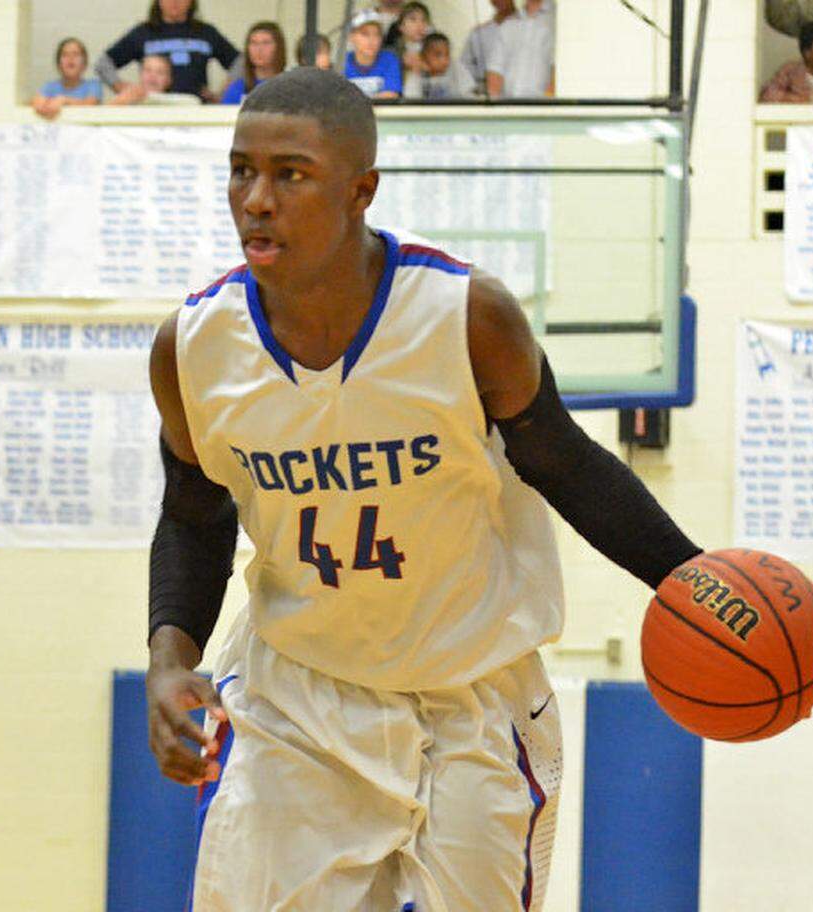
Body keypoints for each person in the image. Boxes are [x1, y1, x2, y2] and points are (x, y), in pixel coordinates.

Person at [146, 67, 702, 911]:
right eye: (241, 170)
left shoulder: (467, 317)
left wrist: (695, 581)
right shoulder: (193, 347)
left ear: (361, 189)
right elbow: (195, 511)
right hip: (296, 696)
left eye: (290, 174)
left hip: (470, 692)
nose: (256, 199)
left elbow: (566, 464)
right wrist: (168, 659)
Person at [96, 0, 238, 102]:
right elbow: (103, 63)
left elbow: (241, 61)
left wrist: (224, 93)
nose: (174, 1)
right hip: (153, 112)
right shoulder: (142, 33)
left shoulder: (206, 32)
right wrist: (122, 88)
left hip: (196, 113)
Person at [498, 0, 557, 98]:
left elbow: (564, 67)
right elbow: (495, 70)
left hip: (543, 107)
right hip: (509, 106)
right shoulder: (509, 23)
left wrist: (548, 104)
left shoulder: (559, 18)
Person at [32, 38, 102, 120]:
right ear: (58, 64)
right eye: (65, 55)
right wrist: (37, 102)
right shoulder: (50, 87)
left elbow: (90, 104)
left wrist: (64, 100)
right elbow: (39, 100)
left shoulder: (93, 85)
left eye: (76, 54)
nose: (70, 58)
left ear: (84, 63)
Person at [460, 0, 516, 98]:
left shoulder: (529, 28)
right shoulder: (478, 33)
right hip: (486, 99)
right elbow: (464, 69)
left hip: (519, 98)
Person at [221, 22, 287, 105]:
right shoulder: (237, 89)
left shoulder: (290, 87)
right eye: (254, 43)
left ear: (279, 47)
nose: (259, 49)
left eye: (266, 43)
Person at [345, 11, 403, 98]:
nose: (372, 40)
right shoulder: (342, 62)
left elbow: (391, 95)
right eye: (365, 34)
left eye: (377, 34)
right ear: (351, 37)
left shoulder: (389, 60)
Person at [404, 32, 477, 99]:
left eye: (447, 54)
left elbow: (469, 96)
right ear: (424, 56)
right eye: (437, 55)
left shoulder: (456, 68)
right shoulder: (416, 76)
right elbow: (412, 103)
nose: (444, 60)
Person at [109, 53, 202, 105]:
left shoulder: (183, 102)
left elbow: (194, 102)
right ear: (140, 75)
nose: (152, 76)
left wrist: (146, 96)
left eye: (160, 72)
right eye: (148, 70)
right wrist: (121, 100)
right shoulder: (126, 100)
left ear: (169, 80)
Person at [384, 2, 433, 83]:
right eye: (413, 19)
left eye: (424, 20)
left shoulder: (430, 50)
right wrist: (401, 61)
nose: (420, 25)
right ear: (401, 26)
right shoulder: (392, 50)